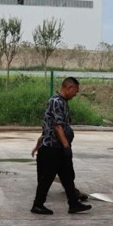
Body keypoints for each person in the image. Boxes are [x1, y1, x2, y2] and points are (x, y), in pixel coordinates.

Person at [31, 77, 92, 215]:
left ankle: (74, 204)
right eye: (75, 91)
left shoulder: (62, 102)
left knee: (67, 176)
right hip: (52, 148)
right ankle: (37, 205)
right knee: (47, 178)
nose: (75, 94)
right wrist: (66, 147)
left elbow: (50, 124)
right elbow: (57, 126)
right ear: (69, 88)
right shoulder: (56, 102)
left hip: (58, 147)